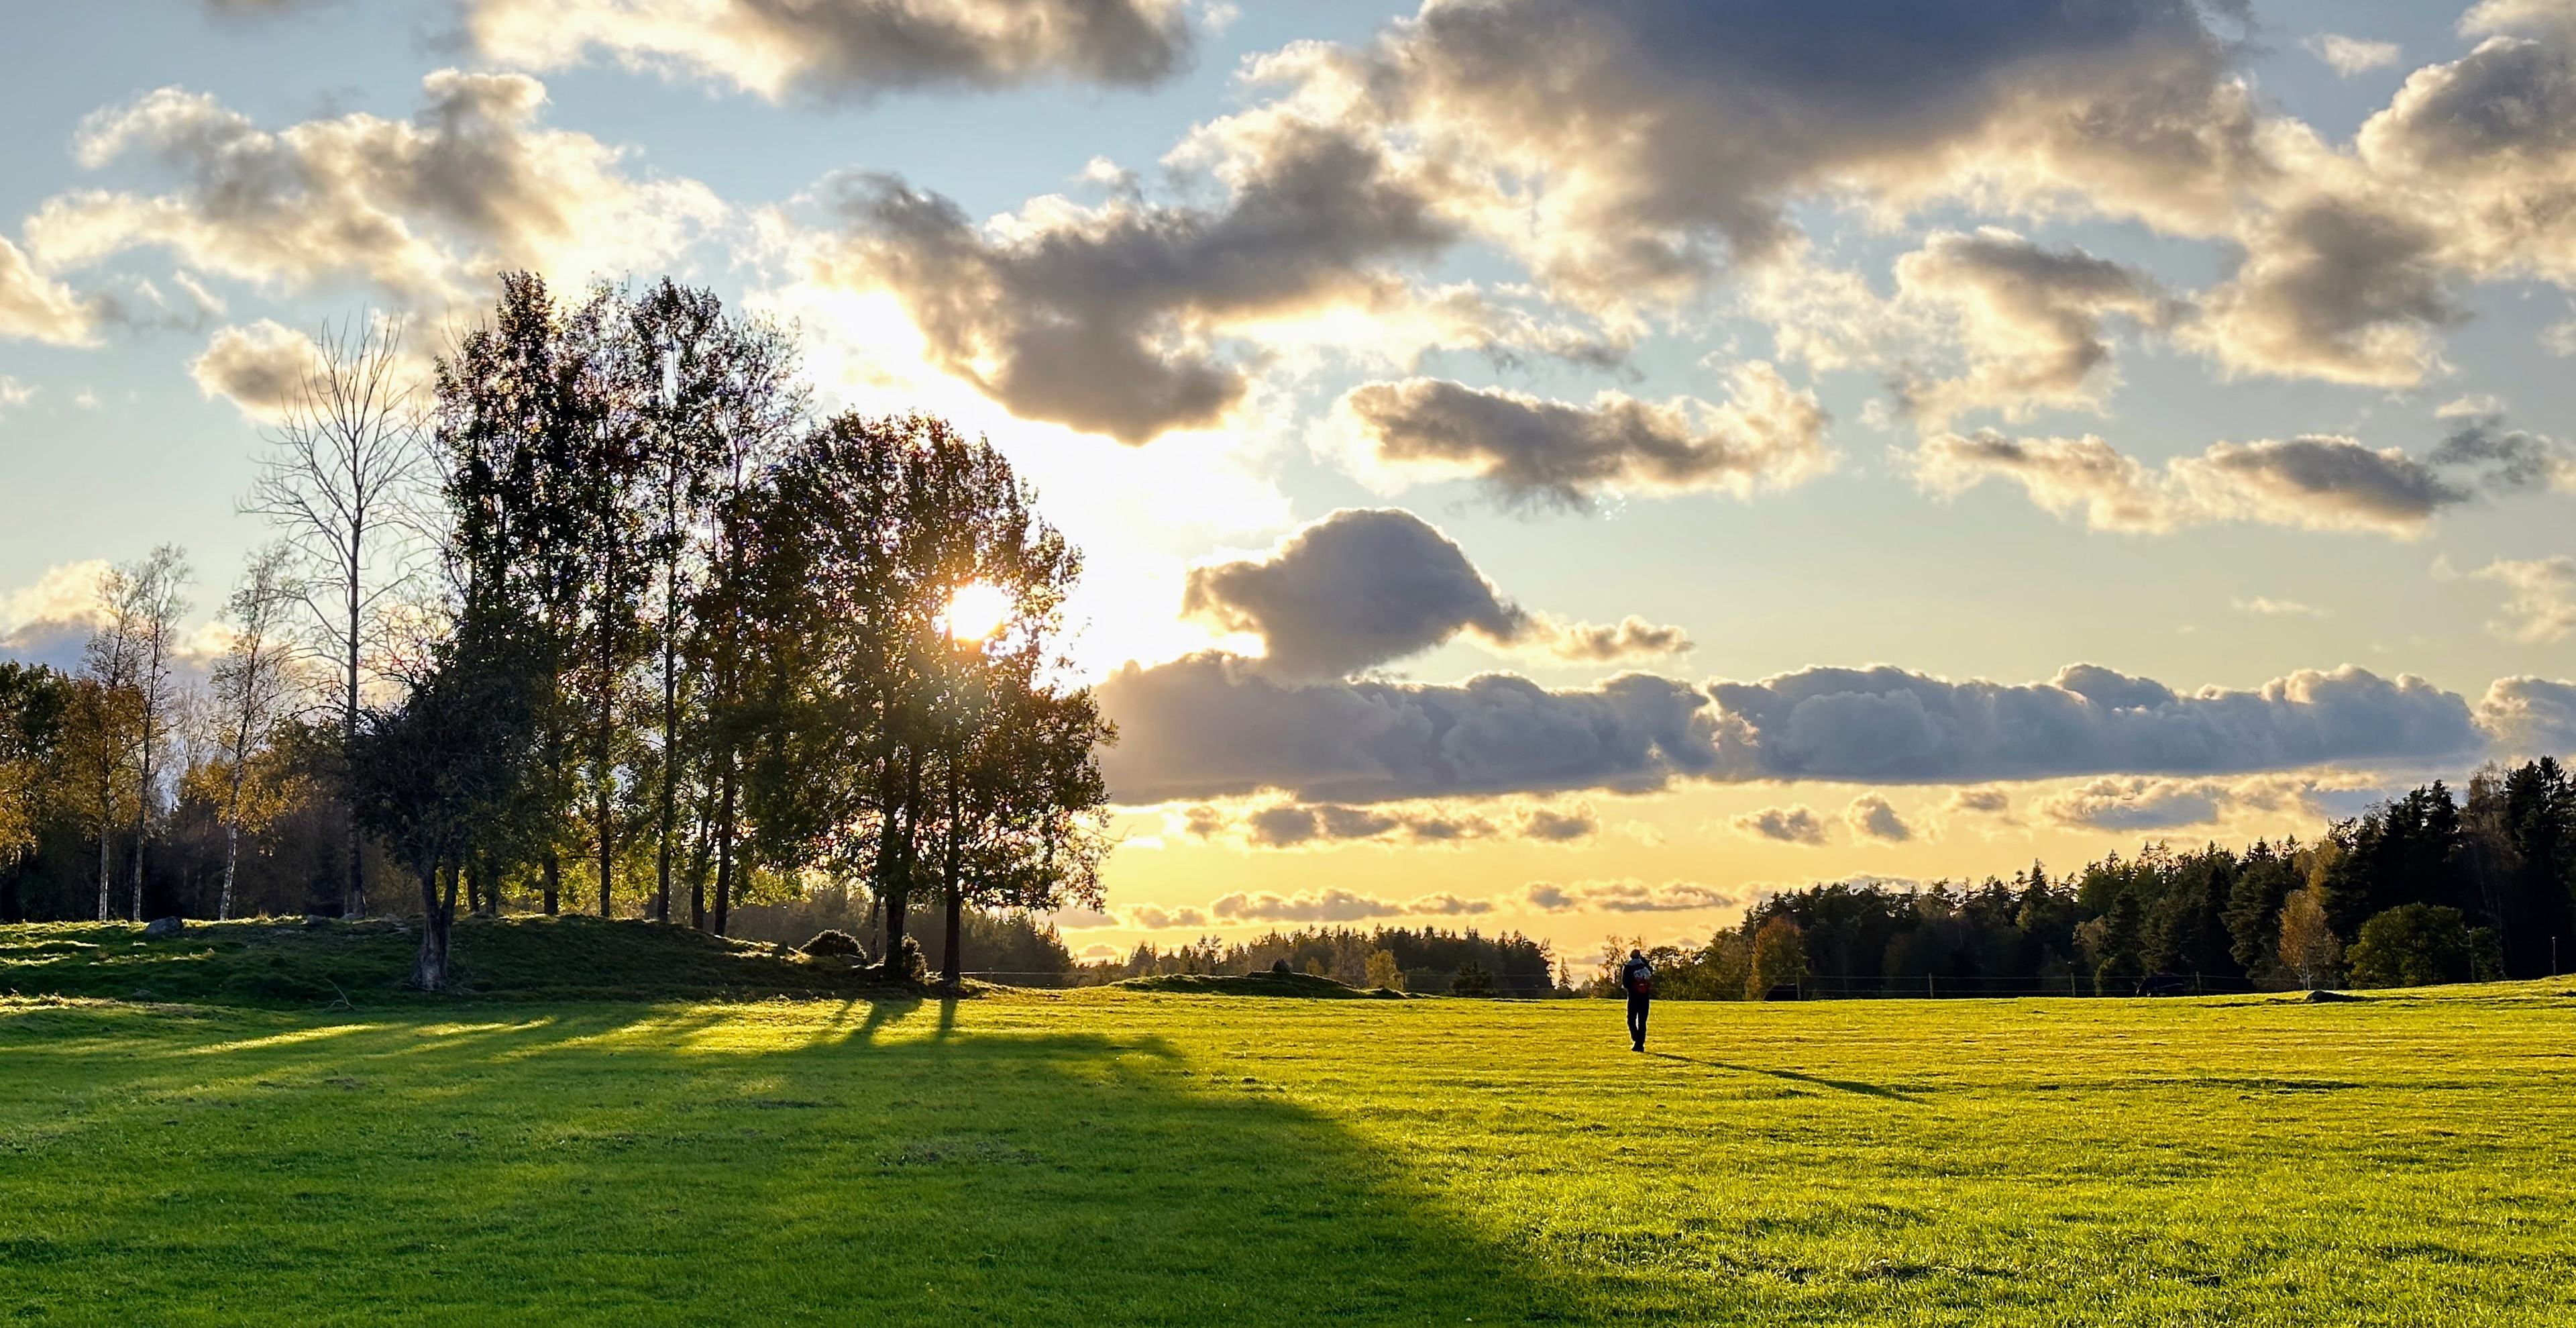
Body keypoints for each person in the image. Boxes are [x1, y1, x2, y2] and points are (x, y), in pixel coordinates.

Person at [1618, 949, 1654, 1051]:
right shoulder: (1645, 966)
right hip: (1645, 996)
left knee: (1631, 1019)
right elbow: (1651, 971)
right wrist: (1644, 960)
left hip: (1634, 997)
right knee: (1642, 1022)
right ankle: (1640, 1044)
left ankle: (1636, 1037)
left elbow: (1625, 983)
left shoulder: (1628, 967)